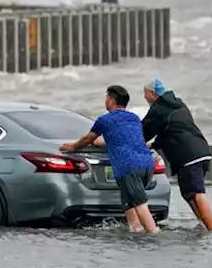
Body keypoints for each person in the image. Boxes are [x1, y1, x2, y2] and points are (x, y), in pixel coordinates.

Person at [61, 85, 159, 234]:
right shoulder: (134, 118)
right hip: (147, 163)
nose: (105, 100)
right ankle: (135, 229)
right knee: (128, 200)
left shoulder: (105, 120)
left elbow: (87, 139)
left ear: (112, 100)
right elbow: (126, 139)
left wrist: (73, 147)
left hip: (128, 165)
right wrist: (102, 142)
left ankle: (154, 236)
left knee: (140, 204)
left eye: (107, 97)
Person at [142, 78, 212, 231]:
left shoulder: (158, 109)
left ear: (152, 94)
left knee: (196, 192)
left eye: (145, 94)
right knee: (188, 194)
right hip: (201, 151)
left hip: (189, 156)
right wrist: (153, 144)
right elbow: (170, 131)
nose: (144, 97)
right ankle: (204, 224)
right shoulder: (178, 104)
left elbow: (143, 131)